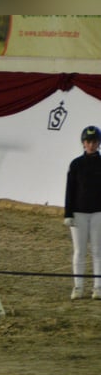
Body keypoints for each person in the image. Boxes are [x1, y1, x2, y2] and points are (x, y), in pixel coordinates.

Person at [64, 125, 101, 300]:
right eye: (88, 142)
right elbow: (70, 190)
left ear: (98, 143)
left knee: (97, 251)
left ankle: (98, 286)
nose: (91, 145)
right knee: (79, 251)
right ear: (83, 143)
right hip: (79, 213)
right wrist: (68, 213)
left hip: (98, 213)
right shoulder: (76, 164)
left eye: (94, 142)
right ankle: (78, 287)